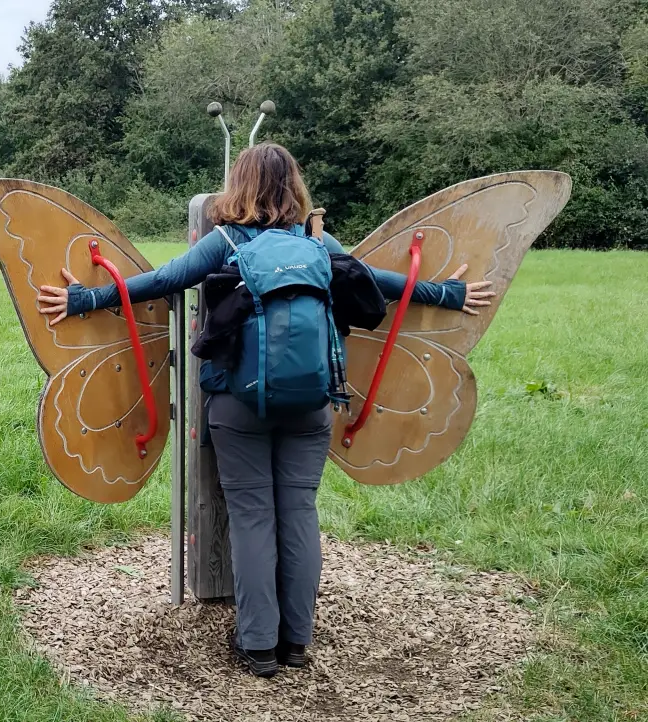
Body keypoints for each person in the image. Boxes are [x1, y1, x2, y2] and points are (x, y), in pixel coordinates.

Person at [36, 143, 496, 678]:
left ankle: (257, 645)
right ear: (295, 188)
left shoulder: (225, 240)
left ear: (239, 186)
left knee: (252, 516)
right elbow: (376, 281)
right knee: (299, 514)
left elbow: (163, 281)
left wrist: (83, 300)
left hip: (238, 402)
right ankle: (297, 642)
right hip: (313, 404)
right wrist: (446, 293)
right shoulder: (316, 242)